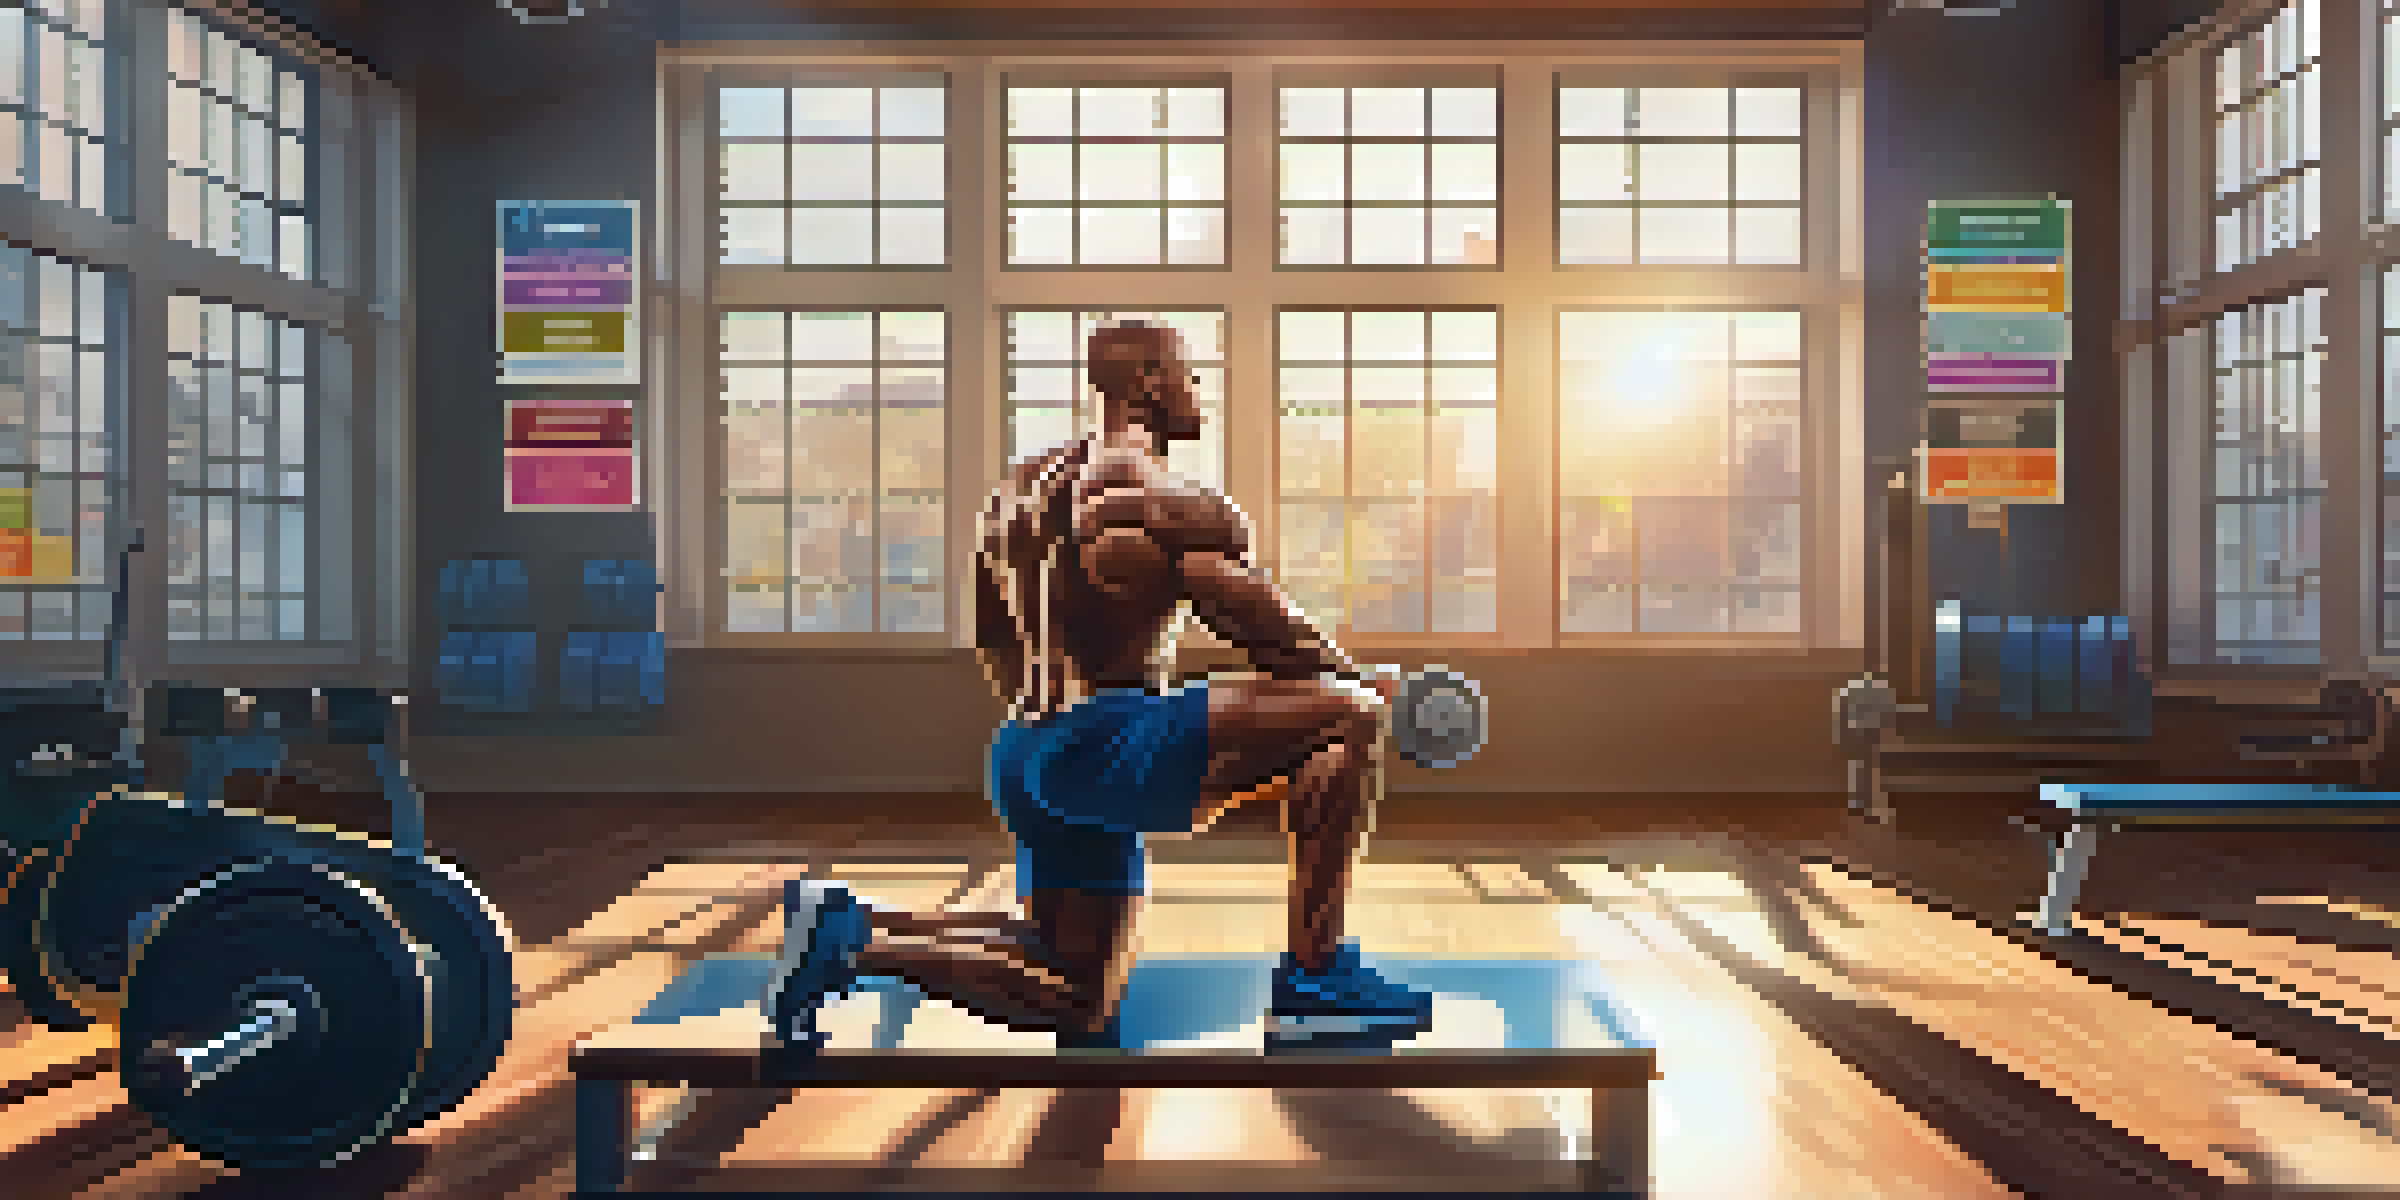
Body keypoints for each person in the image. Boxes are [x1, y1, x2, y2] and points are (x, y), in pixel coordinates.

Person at [765, 319, 1433, 1052]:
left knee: (1078, 997)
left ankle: (857, 933)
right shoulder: (1139, 484)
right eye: (1188, 374)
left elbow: (992, 634)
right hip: (1102, 740)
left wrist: (1053, 727)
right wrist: (1356, 680)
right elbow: (1252, 619)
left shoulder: (1016, 493)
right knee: (1352, 718)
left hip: (1025, 746)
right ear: (1148, 381)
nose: (1197, 392)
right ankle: (1317, 978)